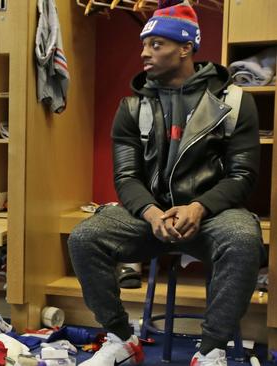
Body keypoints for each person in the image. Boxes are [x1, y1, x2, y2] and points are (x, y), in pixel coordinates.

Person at [68, 1, 265, 365]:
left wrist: (199, 206)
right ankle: (122, 339)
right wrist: (150, 211)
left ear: (185, 48)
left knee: (243, 238)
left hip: (212, 215)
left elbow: (243, 176)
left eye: (156, 44)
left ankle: (210, 352)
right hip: (150, 216)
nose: (144, 53)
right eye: (144, 44)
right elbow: (126, 177)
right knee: (84, 238)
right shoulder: (131, 108)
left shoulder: (236, 103)